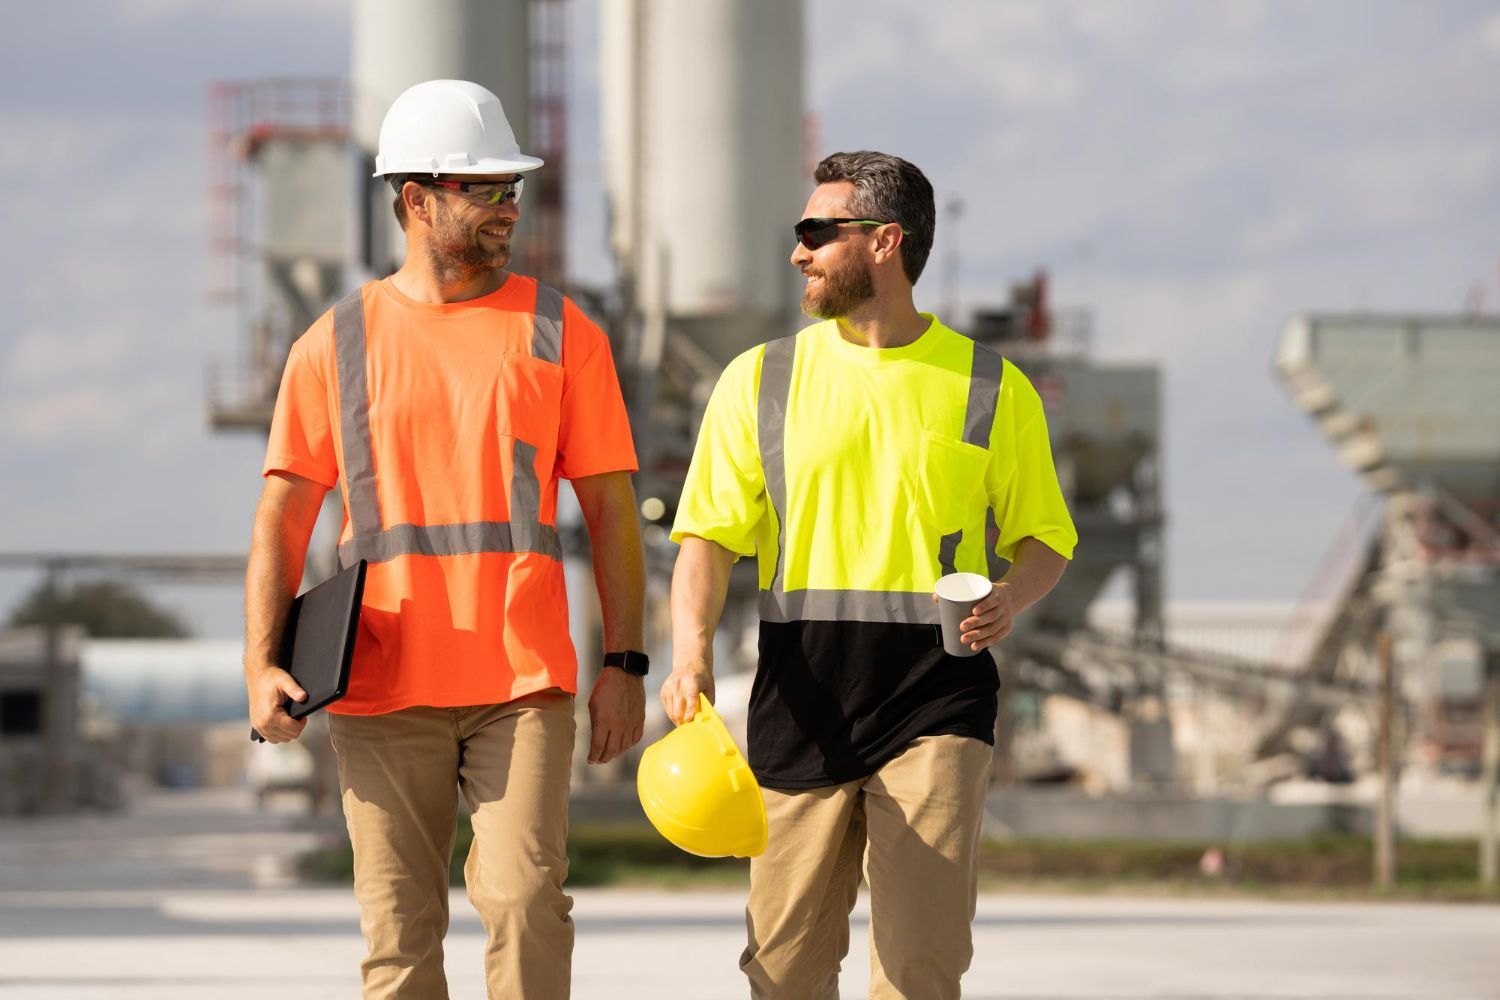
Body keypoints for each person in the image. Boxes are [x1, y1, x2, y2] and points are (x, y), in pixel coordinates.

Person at [243, 79, 649, 999]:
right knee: (398, 936)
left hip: (522, 682)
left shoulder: (562, 332)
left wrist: (624, 662)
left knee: (526, 901)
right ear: (418, 199)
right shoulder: (333, 344)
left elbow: (612, 510)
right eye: (487, 189)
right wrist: (260, 663)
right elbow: (282, 516)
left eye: (513, 188)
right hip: (379, 685)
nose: (509, 207)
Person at [661, 151, 1077, 999]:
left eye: (817, 232)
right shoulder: (760, 380)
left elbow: (1047, 538)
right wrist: (690, 653)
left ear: (885, 241)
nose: (799, 252)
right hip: (802, 697)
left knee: (921, 964)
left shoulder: (991, 386)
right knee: (783, 970)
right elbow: (705, 537)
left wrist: (1010, 595)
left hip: (938, 698)